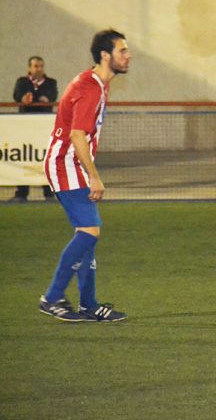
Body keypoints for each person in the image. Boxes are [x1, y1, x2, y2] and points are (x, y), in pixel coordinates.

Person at [39, 29, 131, 322]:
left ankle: (89, 304)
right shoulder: (89, 87)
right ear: (106, 55)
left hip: (73, 164)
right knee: (90, 231)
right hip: (66, 165)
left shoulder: (98, 84)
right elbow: (77, 135)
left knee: (87, 235)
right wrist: (94, 176)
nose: (128, 56)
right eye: (122, 51)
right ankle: (51, 297)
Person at [9, 56, 58, 203]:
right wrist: (24, 98)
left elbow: (51, 96)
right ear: (29, 68)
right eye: (36, 66)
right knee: (25, 157)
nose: (39, 69)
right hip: (25, 126)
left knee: (45, 157)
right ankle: (21, 193)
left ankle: (48, 192)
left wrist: (42, 99)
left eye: (41, 66)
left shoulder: (51, 82)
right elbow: (17, 96)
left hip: (43, 126)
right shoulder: (22, 82)